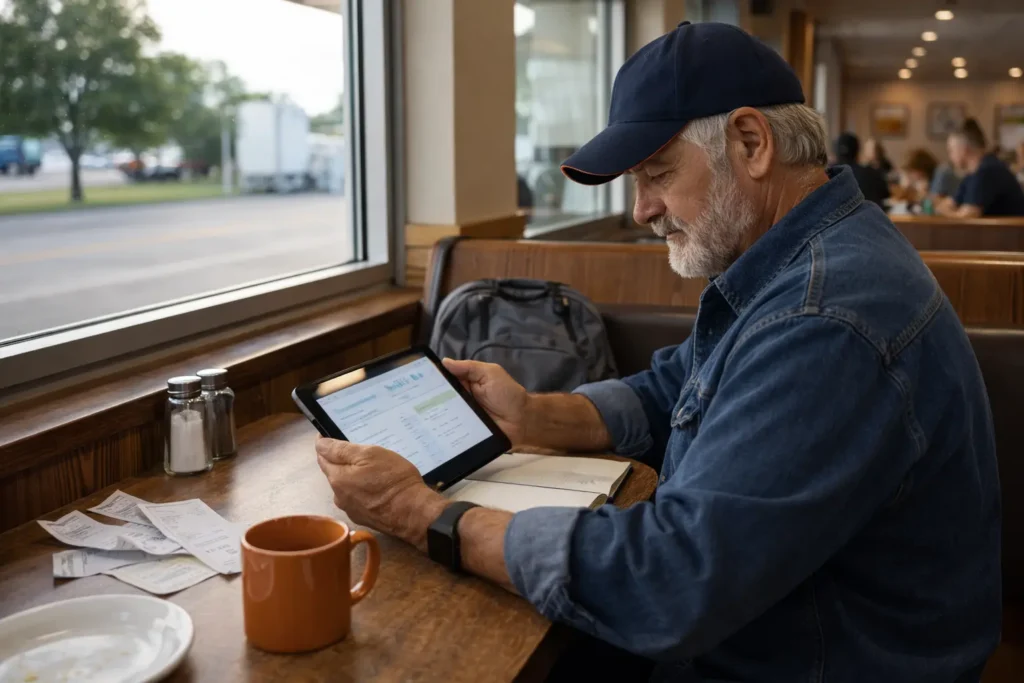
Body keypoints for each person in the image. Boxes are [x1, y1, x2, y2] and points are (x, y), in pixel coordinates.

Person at [315, 22, 1000, 683]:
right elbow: (684, 383)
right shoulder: (806, 258)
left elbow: (675, 577)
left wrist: (420, 512)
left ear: (752, 142)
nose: (642, 209)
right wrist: (532, 414)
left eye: (657, 173)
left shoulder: (827, 319)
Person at [939, 118, 1024, 217]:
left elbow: (968, 217)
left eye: (951, 150)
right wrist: (956, 212)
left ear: (964, 150)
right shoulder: (971, 175)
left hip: (1009, 232)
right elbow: (947, 204)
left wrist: (952, 212)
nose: (950, 156)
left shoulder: (989, 170)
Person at [834, 132, 889, 207]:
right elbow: (885, 194)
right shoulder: (872, 174)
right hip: (869, 217)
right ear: (858, 151)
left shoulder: (826, 176)